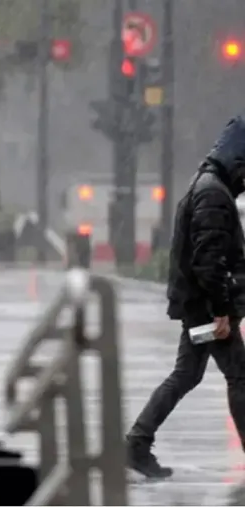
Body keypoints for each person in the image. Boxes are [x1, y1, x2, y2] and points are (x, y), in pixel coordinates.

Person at [126, 115, 245, 479]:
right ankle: (136, 441)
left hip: (201, 308)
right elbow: (208, 260)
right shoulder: (212, 193)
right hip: (208, 311)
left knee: (187, 373)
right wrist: (222, 311)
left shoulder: (206, 185)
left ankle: (137, 442)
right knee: (240, 377)